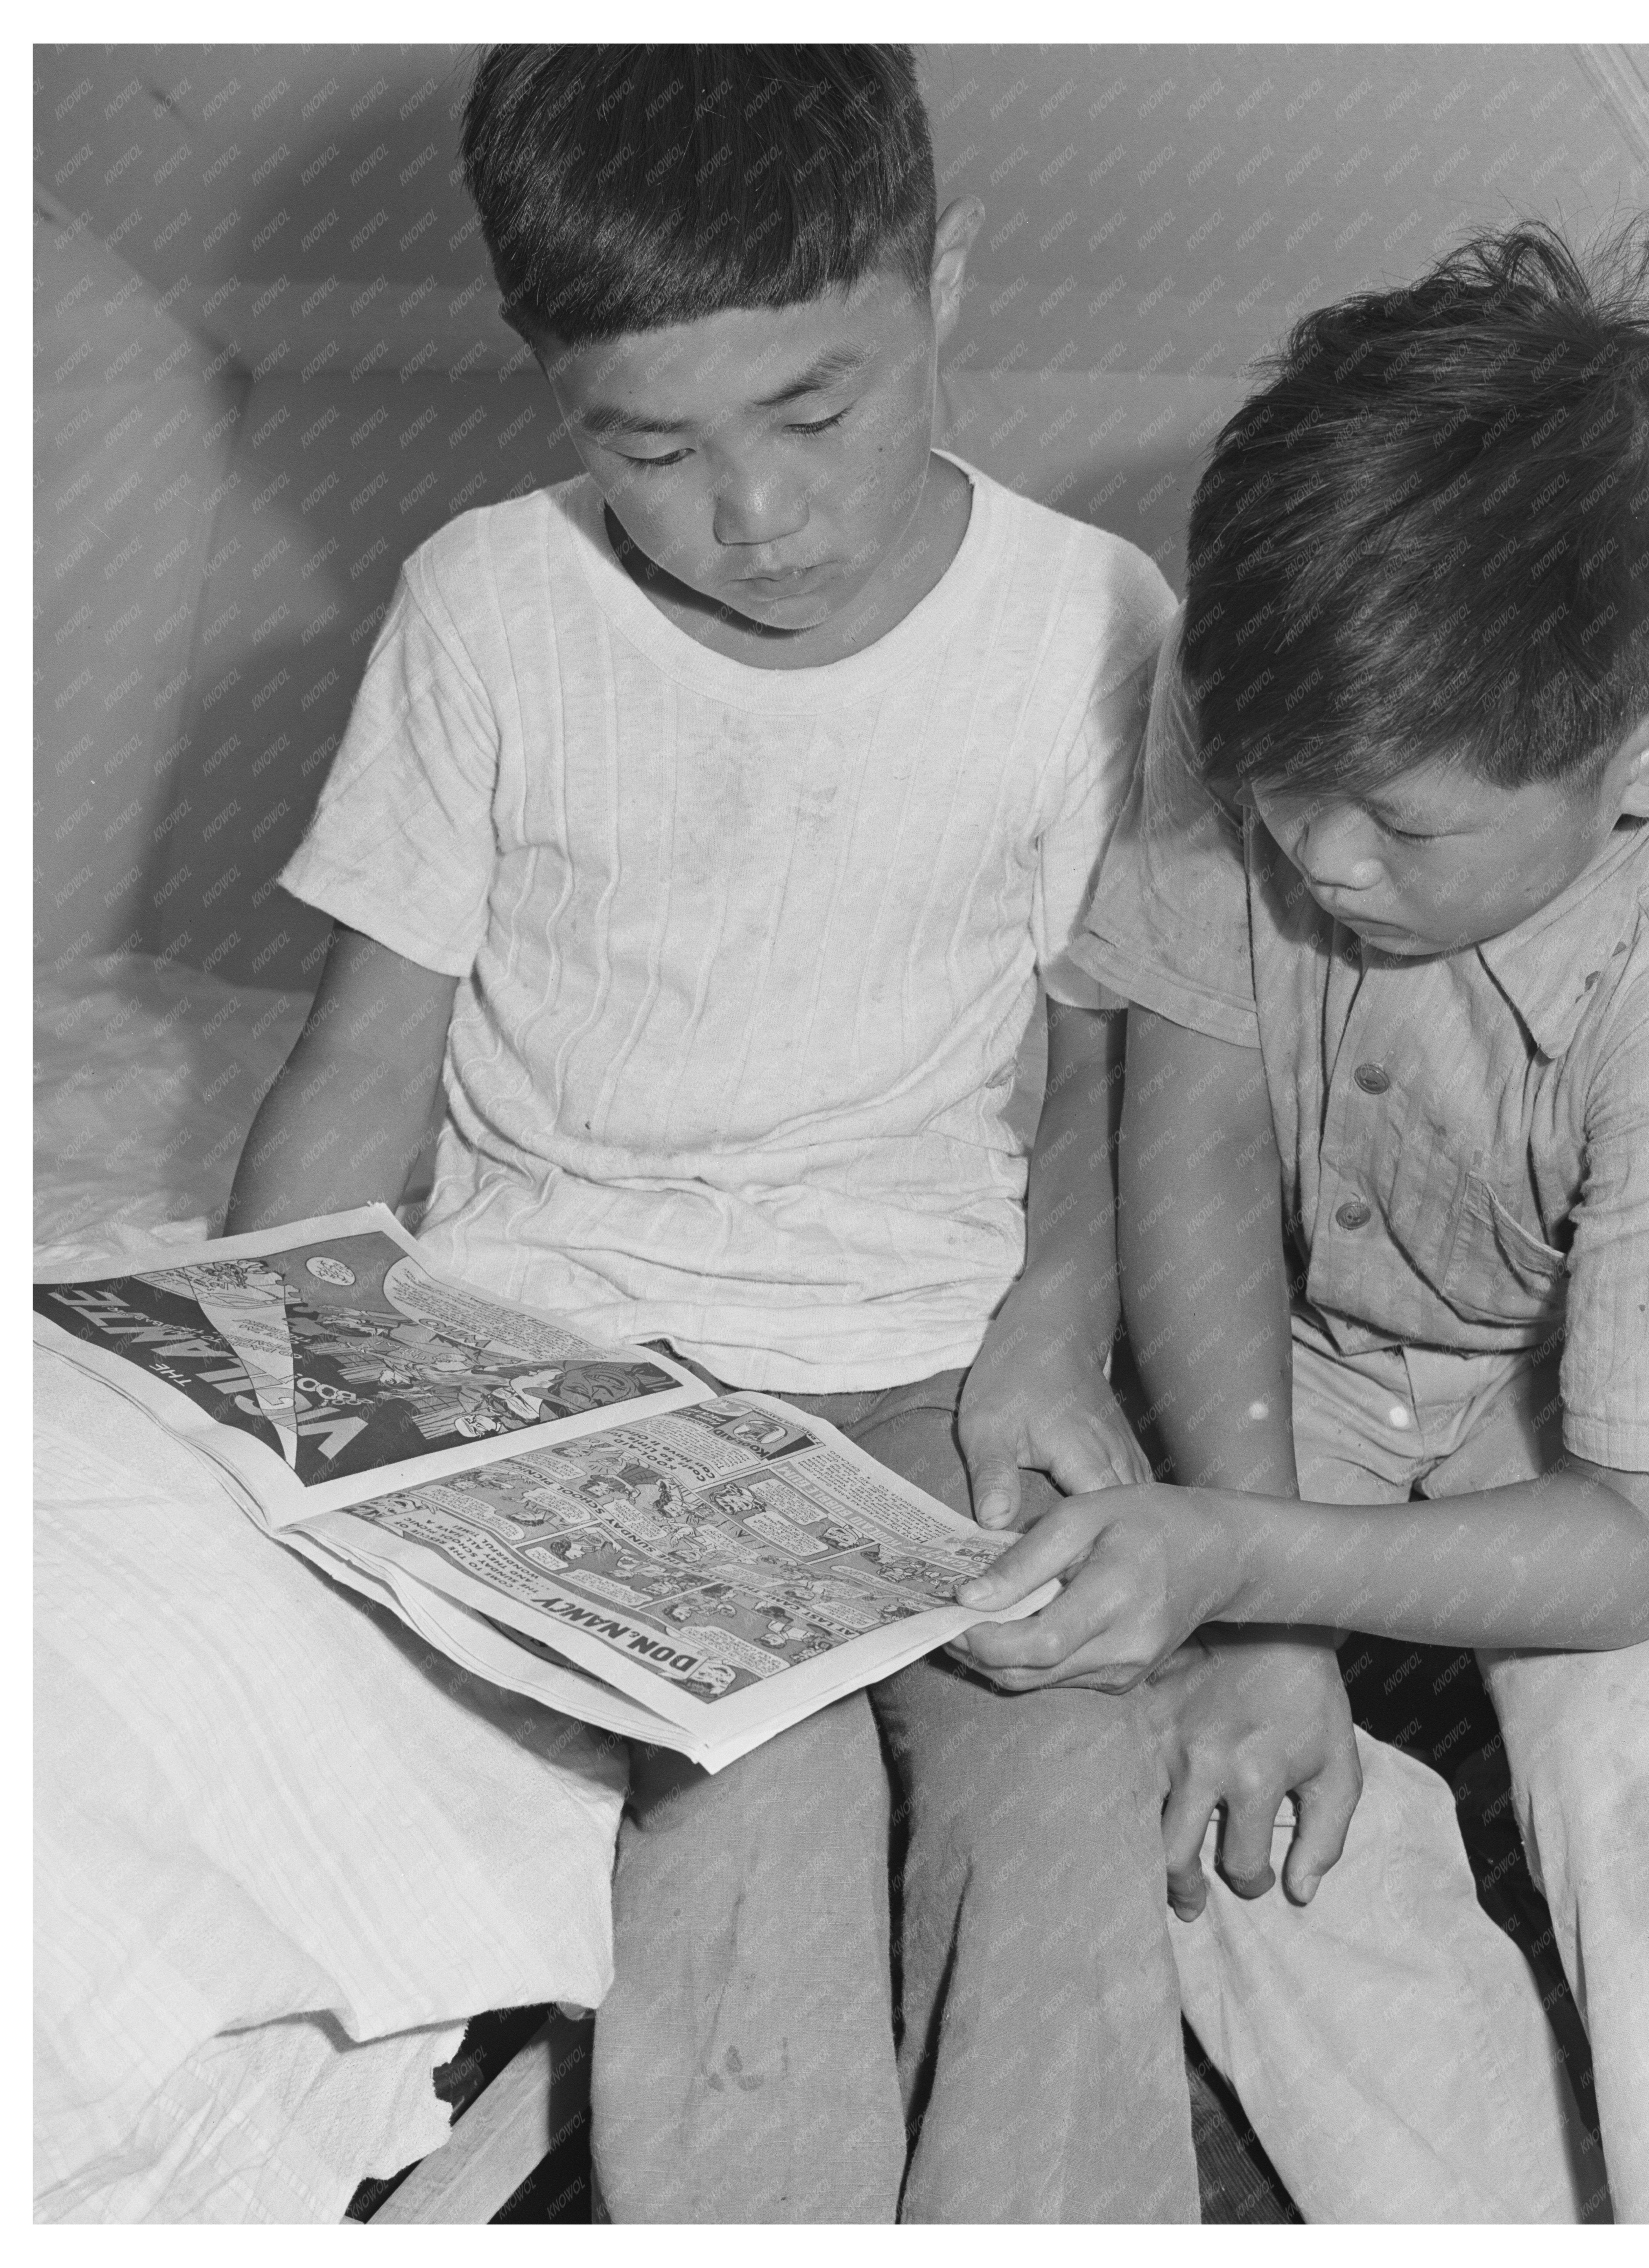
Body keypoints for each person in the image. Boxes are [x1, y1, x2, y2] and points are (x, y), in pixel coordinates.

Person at [225, 44, 1194, 2224]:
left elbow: (1104, 1062)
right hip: (572, 1369)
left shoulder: (1093, 618)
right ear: (541, 381)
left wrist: (1050, 1335)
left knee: (1056, 1789)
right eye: (644, 445)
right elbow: (365, 1063)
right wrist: (281, 1392)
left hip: (931, 1355)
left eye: (816, 412)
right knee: (744, 1825)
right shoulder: (484, 602)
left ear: (942, 273)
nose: (750, 514)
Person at [954, 224, 1649, 2222]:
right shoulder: (1275, 667)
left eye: (1407, 825)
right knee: (1182, 1782)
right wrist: (1256, 1607)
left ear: (1642, 767)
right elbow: (1183, 1129)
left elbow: (1633, 1546)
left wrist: (1244, 1558)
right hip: (1320, 1358)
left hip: (1618, 1456)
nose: (1318, 855)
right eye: (1281, 790)